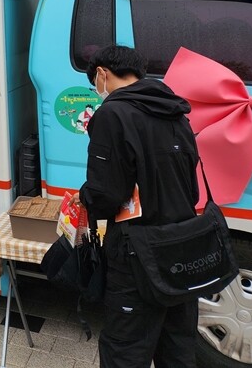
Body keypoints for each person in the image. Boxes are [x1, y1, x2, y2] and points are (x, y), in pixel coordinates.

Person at [78, 45, 199, 368]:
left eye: (95, 83)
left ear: (102, 73)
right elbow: (191, 187)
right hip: (182, 243)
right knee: (177, 346)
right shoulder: (174, 109)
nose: (97, 90)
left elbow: (106, 195)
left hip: (137, 253)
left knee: (126, 350)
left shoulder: (112, 114)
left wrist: (85, 197)